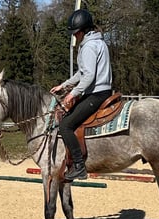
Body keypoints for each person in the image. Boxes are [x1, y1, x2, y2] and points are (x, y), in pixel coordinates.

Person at [50, 9, 112, 181]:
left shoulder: (89, 46)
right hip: (101, 90)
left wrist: (73, 94)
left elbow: (89, 76)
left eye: (76, 33)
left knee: (66, 125)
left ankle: (79, 166)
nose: (75, 37)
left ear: (83, 30)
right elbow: (82, 73)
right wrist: (63, 86)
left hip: (96, 93)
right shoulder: (98, 42)